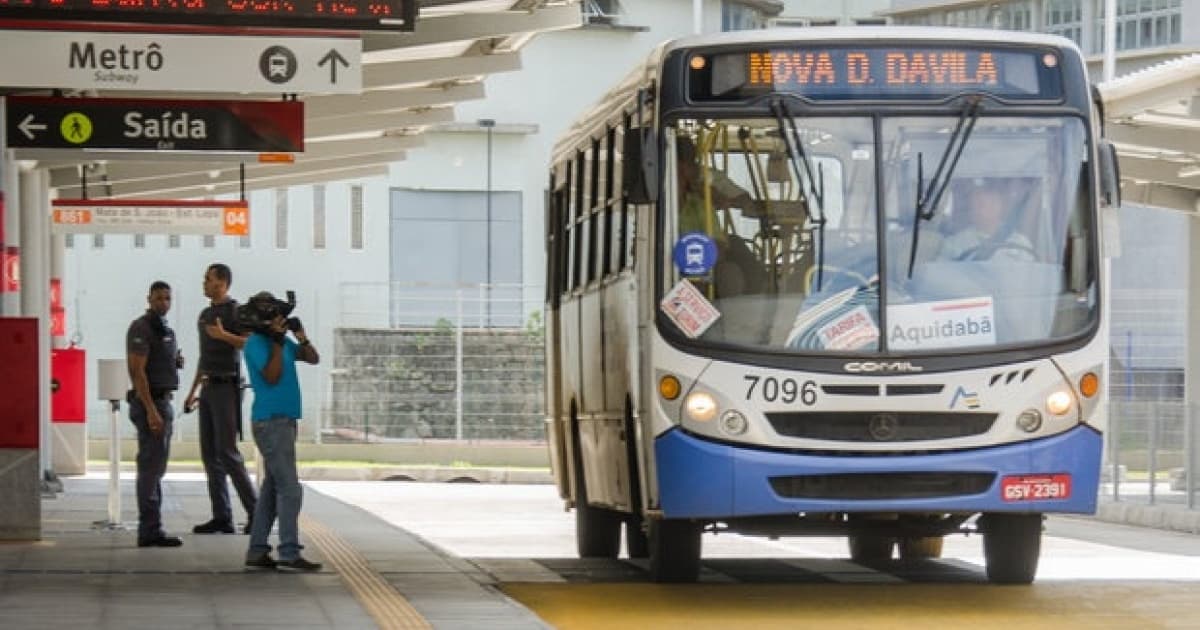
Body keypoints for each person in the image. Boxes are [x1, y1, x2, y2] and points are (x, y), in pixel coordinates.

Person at [242, 292, 322, 571]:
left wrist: (300, 335)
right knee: (290, 489)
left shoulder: (284, 341)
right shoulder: (254, 344)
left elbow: (313, 358)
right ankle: (289, 551)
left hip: (285, 420)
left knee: (272, 489)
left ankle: (257, 549)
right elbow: (272, 376)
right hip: (270, 421)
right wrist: (276, 343)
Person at [184, 263, 257, 535]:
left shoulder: (235, 312)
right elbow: (204, 357)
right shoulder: (205, 314)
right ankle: (222, 516)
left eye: (209, 279)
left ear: (223, 283)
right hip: (209, 388)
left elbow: (250, 343)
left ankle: (255, 511)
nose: (204, 283)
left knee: (227, 453)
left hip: (228, 386)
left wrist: (224, 335)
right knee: (210, 455)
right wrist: (193, 392)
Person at [125, 280, 184, 548]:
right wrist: (150, 410)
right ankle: (148, 529)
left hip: (163, 401)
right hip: (152, 404)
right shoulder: (142, 328)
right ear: (149, 299)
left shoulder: (165, 330)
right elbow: (137, 372)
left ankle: (153, 526)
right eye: (159, 298)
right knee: (150, 468)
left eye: (168, 298)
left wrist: (174, 363)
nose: (164, 303)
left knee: (156, 467)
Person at [937, 182, 1036, 262]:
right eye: (974, 202)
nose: (976, 208)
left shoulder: (1020, 244)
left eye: (982, 203)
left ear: (999, 205)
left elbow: (1029, 281)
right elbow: (941, 281)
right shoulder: (954, 244)